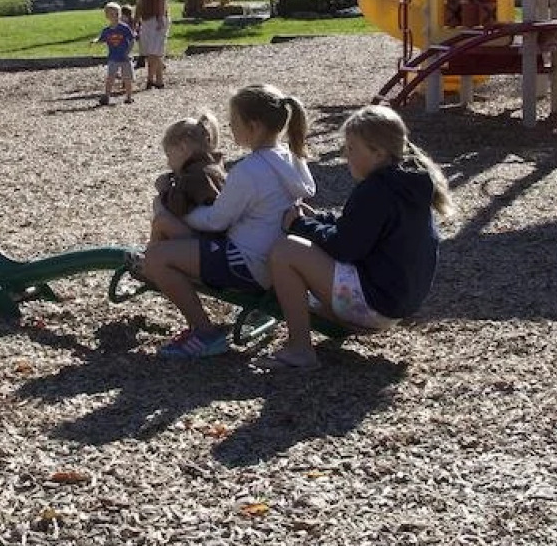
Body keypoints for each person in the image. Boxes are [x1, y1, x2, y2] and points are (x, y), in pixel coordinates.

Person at [258, 105, 447, 371]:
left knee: (286, 251)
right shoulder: (407, 184)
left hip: (373, 306)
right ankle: (324, 323)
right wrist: (317, 220)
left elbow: (345, 247)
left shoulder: (376, 190)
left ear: (378, 152)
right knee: (303, 256)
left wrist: (299, 225)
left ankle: (300, 349)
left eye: (351, 148)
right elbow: (358, 229)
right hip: (395, 303)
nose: (346, 155)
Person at [139, 84, 316, 359]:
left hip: (245, 262)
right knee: (164, 239)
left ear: (254, 127)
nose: (229, 129)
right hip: (270, 260)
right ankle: (163, 275)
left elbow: (215, 221)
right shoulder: (291, 159)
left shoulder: (250, 169)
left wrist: (179, 210)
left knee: (157, 257)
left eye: (234, 123)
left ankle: (204, 333)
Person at [149, 110, 228, 241]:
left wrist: (165, 189)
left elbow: (178, 207)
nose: (169, 163)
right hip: (216, 234)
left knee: (160, 211)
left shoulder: (195, 176)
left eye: (169, 155)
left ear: (183, 148)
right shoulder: (214, 167)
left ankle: (151, 256)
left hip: (208, 239)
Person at [136, 0, 170, 89]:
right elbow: (140, 2)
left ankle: (150, 79)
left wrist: (161, 17)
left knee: (153, 51)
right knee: (151, 50)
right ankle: (159, 80)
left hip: (156, 18)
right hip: (146, 18)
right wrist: (136, 19)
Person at [92, 2, 137, 106]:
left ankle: (129, 97)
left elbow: (131, 40)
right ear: (107, 16)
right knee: (110, 77)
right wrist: (95, 41)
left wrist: (128, 52)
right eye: (112, 14)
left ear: (120, 14)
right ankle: (107, 96)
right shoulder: (107, 31)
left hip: (125, 57)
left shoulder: (124, 28)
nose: (115, 17)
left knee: (127, 78)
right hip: (113, 57)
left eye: (117, 14)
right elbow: (101, 39)